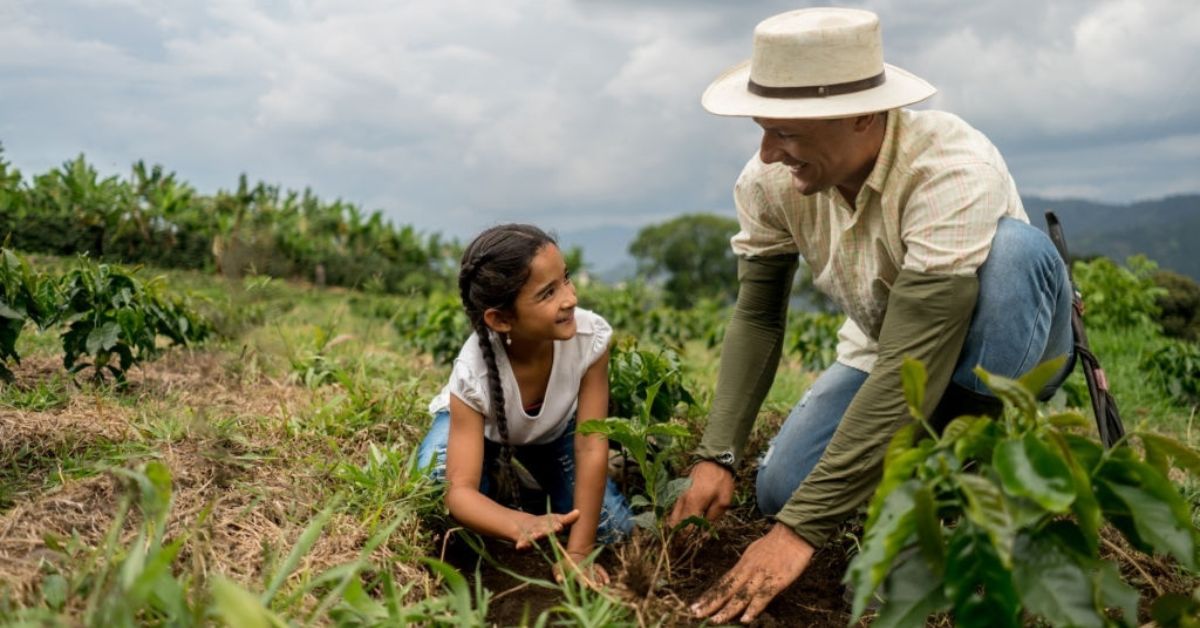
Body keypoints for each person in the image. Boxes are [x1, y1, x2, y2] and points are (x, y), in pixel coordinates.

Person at [666, 8, 1074, 624]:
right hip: (886, 347)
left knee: (1016, 252)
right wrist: (716, 454)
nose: (769, 151)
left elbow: (920, 358)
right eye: (764, 129)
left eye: (788, 133)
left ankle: (966, 462)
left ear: (864, 116)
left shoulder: (951, 169)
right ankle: (917, 466)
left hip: (1008, 347)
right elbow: (757, 318)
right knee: (781, 488)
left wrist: (797, 535)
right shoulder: (770, 183)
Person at [416, 224, 633, 586]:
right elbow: (459, 490)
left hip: (551, 434)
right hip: (481, 434)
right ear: (501, 320)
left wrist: (578, 554)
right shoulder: (474, 372)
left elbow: (591, 445)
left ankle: (529, 482)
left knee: (616, 530)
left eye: (565, 279)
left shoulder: (590, 339)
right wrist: (518, 524)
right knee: (438, 487)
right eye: (548, 293)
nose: (570, 298)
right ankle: (499, 478)